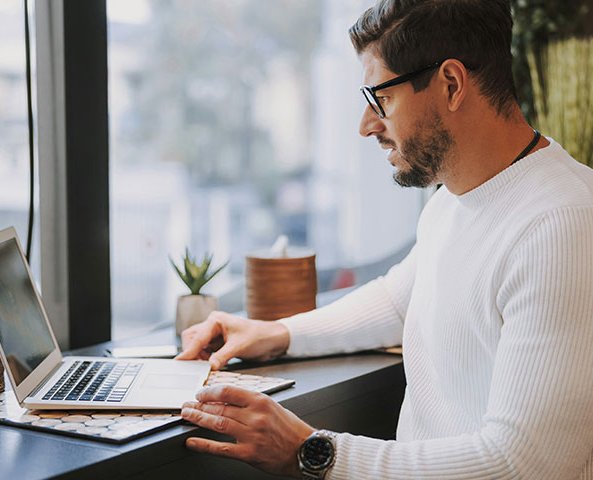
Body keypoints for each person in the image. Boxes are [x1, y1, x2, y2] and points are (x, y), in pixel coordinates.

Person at [176, 0, 593, 478]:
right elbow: (400, 301)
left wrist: (310, 451)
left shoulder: (563, 225)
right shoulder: (454, 200)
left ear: (451, 84)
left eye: (381, 99)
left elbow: (522, 466)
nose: (366, 124)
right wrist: (275, 333)